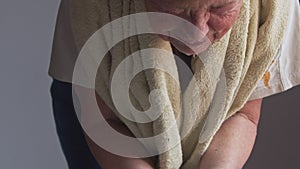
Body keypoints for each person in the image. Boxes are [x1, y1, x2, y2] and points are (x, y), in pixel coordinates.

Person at [49, 0, 300, 168]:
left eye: (220, 7)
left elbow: (243, 114)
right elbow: (102, 121)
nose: (197, 33)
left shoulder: (271, 10)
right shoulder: (91, 9)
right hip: (104, 121)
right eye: (179, 8)